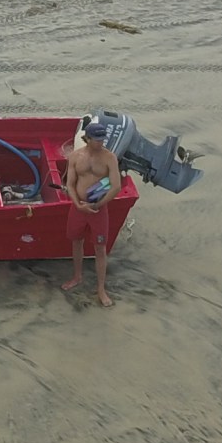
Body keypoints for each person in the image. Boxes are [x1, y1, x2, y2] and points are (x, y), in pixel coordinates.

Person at [60, 120, 123, 307]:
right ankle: (77, 276)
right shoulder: (75, 156)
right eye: (96, 139)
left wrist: (99, 204)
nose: (100, 143)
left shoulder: (109, 158)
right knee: (76, 241)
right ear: (87, 139)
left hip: (98, 209)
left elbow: (116, 186)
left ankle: (101, 288)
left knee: (100, 248)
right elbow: (70, 184)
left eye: (102, 139)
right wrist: (78, 205)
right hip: (78, 207)